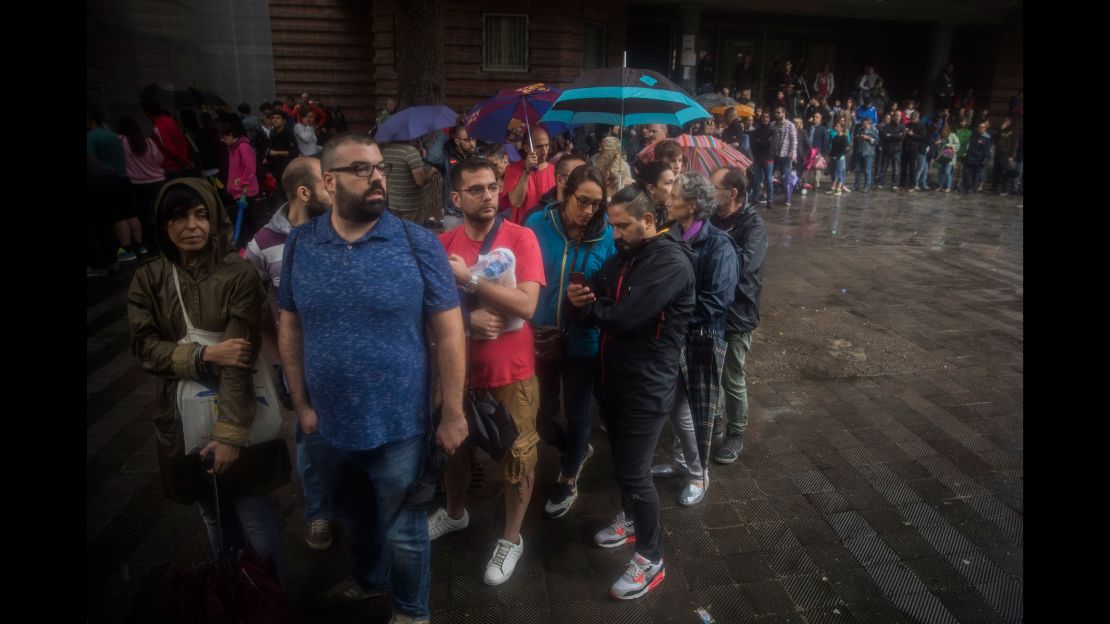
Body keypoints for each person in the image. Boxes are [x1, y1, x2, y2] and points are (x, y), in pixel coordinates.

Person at [277, 134, 467, 623]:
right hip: (325, 425)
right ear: (328, 181)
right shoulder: (301, 243)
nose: (376, 176)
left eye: (379, 167)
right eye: (361, 169)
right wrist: (300, 405)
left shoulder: (416, 242)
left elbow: (449, 332)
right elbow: (291, 324)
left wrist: (452, 412)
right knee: (355, 519)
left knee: (406, 531)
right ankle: (368, 581)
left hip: (399, 426)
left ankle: (410, 611)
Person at [127, 178, 292, 587]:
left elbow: (240, 357)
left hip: (241, 410)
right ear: (163, 226)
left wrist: (231, 434)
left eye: (201, 214)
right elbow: (144, 348)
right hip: (182, 415)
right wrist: (201, 355)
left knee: (254, 511)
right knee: (212, 512)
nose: (192, 226)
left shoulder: (237, 273)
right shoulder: (149, 278)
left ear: (215, 218)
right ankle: (234, 591)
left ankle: (273, 599)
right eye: (179, 217)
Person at [566, 183, 694, 599]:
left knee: (635, 473)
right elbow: (596, 293)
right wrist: (580, 294)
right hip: (615, 380)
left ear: (649, 221)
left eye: (623, 226)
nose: (616, 234)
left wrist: (592, 307)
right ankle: (629, 518)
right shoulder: (625, 257)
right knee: (623, 464)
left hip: (647, 387)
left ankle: (651, 557)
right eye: (614, 225)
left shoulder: (670, 262)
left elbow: (624, 317)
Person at [430, 157, 545, 587]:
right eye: (476, 189)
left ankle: (511, 538)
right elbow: (425, 312)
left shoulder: (520, 237)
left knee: (519, 458)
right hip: (457, 375)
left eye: (493, 186)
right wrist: (465, 321)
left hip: (511, 374)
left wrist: (473, 284)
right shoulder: (442, 245)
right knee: (455, 451)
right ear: (456, 198)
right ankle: (455, 513)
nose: (488, 196)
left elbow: (527, 305)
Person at [244, 157, 334, 550]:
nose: (334, 188)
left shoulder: (339, 229)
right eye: (326, 182)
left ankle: (351, 505)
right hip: (299, 363)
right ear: (304, 192)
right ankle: (319, 513)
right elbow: (249, 299)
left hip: (345, 359)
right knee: (310, 436)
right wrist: (277, 342)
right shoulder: (262, 244)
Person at [524, 165, 616, 518]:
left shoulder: (606, 235)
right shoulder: (537, 225)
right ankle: (575, 450)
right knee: (540, 416)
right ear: (564, 192)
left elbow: (611, 290)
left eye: (596, 204)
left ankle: (568, 475)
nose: (588, 211)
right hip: (542, 337)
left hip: (583, 341)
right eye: (582, 201)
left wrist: (592, 298)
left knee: (578, 413)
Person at [652, 173, 737, 506]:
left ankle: (698, 473)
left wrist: (671, 314)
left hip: (700, 339)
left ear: (693, 205)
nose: (668, 199)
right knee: (676, 407)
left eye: (674, 196)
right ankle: (682, 463)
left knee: (688, 411)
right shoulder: (669, 236)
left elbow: (717, 301)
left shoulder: (718, 244)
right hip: (672, 338)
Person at [709, 166, 767, 464]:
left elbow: (745, 265)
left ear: (732, 193)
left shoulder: (752, 225)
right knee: (713, 371)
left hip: (739, 312)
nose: (709, 192)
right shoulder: (710, 218)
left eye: (714, 187)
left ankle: (736, 433)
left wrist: (712, 260)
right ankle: (716, 418)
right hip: (711, 310)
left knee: (732, 375)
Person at [117, 115, 164, 255]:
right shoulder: (148, 142)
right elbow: (160, 159)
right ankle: (162, 236)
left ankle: (148, 241)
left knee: (143, 214)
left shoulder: (122, 142)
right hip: (157, 180)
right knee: (159, 210)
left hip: (137, 183)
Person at [217, 118, 260, 248]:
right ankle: (250, 245)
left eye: (224, 137)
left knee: (245, 222)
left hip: (245, 192)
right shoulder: (235, 148)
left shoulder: (243, 147)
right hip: (239, 192)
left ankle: (248, 246)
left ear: (231, 135)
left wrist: (242, 182)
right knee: (246, 221)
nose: (222, 140)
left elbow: (250, 167)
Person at [502, 126, 556, 224]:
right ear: (527, 147)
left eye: (547, 145)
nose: (544, 151)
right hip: (522, 229)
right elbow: (516, 202)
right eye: (539, 146)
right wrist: (527, 171)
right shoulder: (513, 169)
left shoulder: (555, 170)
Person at [382, 140, 434, 224]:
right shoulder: (410, 152)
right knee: (412, 235)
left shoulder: (386, 151)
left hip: (394, 203)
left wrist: (419, 159)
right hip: (411, 205)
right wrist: (432, 171)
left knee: (399, 233)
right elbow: (421, 181)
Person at [142, 98, 195, 178]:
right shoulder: (169, 120)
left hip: (171, 167)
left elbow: (169, 148)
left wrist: (184, 161)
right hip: (181, 163)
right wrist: (184, 159)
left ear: (147, 112)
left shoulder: (159, 127)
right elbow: (182, 141)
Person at [770, 106, 798, 207]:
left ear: (784, 113)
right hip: (773, 154)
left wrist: (793, 154)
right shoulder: (772, 124)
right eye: (775, 112)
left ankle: (788, 197)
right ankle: (768, 195)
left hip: (785, 155)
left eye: (778, 112)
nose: (776, 114)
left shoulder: (790, 125)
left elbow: (794, 140)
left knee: (786, 177)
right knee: (770, 176)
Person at [635, 160, 677, 225]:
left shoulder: (672, 210)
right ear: (651, 188)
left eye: (674, 183)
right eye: (668, 183)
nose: (674, 189)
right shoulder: (636, 215)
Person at [751, 111, 775, 208]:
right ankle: (755, 198)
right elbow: (754, 143)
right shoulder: (756, 130)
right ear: (761, 118)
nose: (765, 119)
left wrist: (760, 142)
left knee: (769, 179)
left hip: (768, 157)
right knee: (756, 179)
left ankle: (770, 200)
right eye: (764, 117)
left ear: (769, 119)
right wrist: (764, 142)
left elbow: (771, 144)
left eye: (767, 117)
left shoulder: (772, 130)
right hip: (758, 157)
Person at [962, 121, 992, 194]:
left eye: (983, 127)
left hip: (979, 159)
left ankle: (972, 188)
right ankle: (968, 187)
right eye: (980, 127)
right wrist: (966, 154)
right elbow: (970, 146)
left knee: (976, 175)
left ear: (985, 128)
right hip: (970, 158)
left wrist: (986, 158)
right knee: (967, 173)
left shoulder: (986, 138)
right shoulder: (974, 136)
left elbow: (987, 150)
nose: (981, 128)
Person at [879, 111, 907, 190]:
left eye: (899, 115)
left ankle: (894, 184)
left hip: (897, 150)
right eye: (896, 115)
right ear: (894, 117)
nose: (897, 117)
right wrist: (896, 136)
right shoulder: (888, 126)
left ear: (901, 117)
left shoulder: (902, 127)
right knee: (883, 167)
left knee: (896, 169)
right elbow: (885, 136)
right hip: (887, 149)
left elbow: (902, 137)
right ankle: (881, 183)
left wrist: (891, 135)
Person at [991, 118, 1019, 194]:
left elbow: (1014, 144)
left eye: (1008, 121)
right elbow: (993, 138)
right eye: (1005, 121)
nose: (1006, 122)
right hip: (998, 153)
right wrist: (1001, 128)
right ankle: (994, 188)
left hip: (1006, 154)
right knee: (996, 171)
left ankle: (1004, 189)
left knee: (1005, 172)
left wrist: (1011, 156)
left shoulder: (1013, 131)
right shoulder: (1001, 130)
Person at [852, 118, 879, 192]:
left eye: (865, 124)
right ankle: (856, 185)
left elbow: (877, 141)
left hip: (868, 152)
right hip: (859, 151)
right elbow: (855, 138)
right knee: (857, 170)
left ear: (868, 123)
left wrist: (868, 138)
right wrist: (857, 137)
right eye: (863, 124)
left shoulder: (874, 130)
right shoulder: (860, 129)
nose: (864, 126)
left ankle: (867, 186)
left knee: (867, 170)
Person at [934, 122, 960, 193]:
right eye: (942, 130)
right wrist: (937, 144)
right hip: (941, 156)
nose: (943, 131)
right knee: (940, 172)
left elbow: (957, 144)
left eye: (945, 130)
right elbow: (938, 147)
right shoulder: (941, 136)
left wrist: (951, 146)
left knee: (947, 171)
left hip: (949, 156)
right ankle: (940, 186)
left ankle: (948, 187)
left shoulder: (952, 135)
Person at [827, 120, 849, 195]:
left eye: (837, 126)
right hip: (833, 157)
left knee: (840, 172)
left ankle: (839, 187)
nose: (836, 127)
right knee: (833, 172)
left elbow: (845, 149)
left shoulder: (844, 137)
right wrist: (830, 155)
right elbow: (833, 147)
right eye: (835, 126)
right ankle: (833, 186)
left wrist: (839, 156)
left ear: (841, 128)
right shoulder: (835, 137)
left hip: (840, 158)